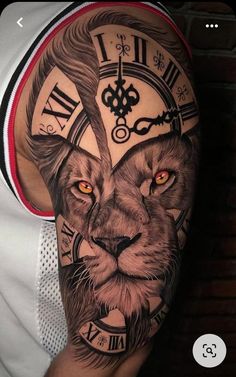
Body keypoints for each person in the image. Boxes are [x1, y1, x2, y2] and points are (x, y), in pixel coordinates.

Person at [0, 2, 200, 377]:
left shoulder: (109, 45)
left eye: (157, 180)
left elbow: (111, 359)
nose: (114, 232)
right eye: (83, 187)